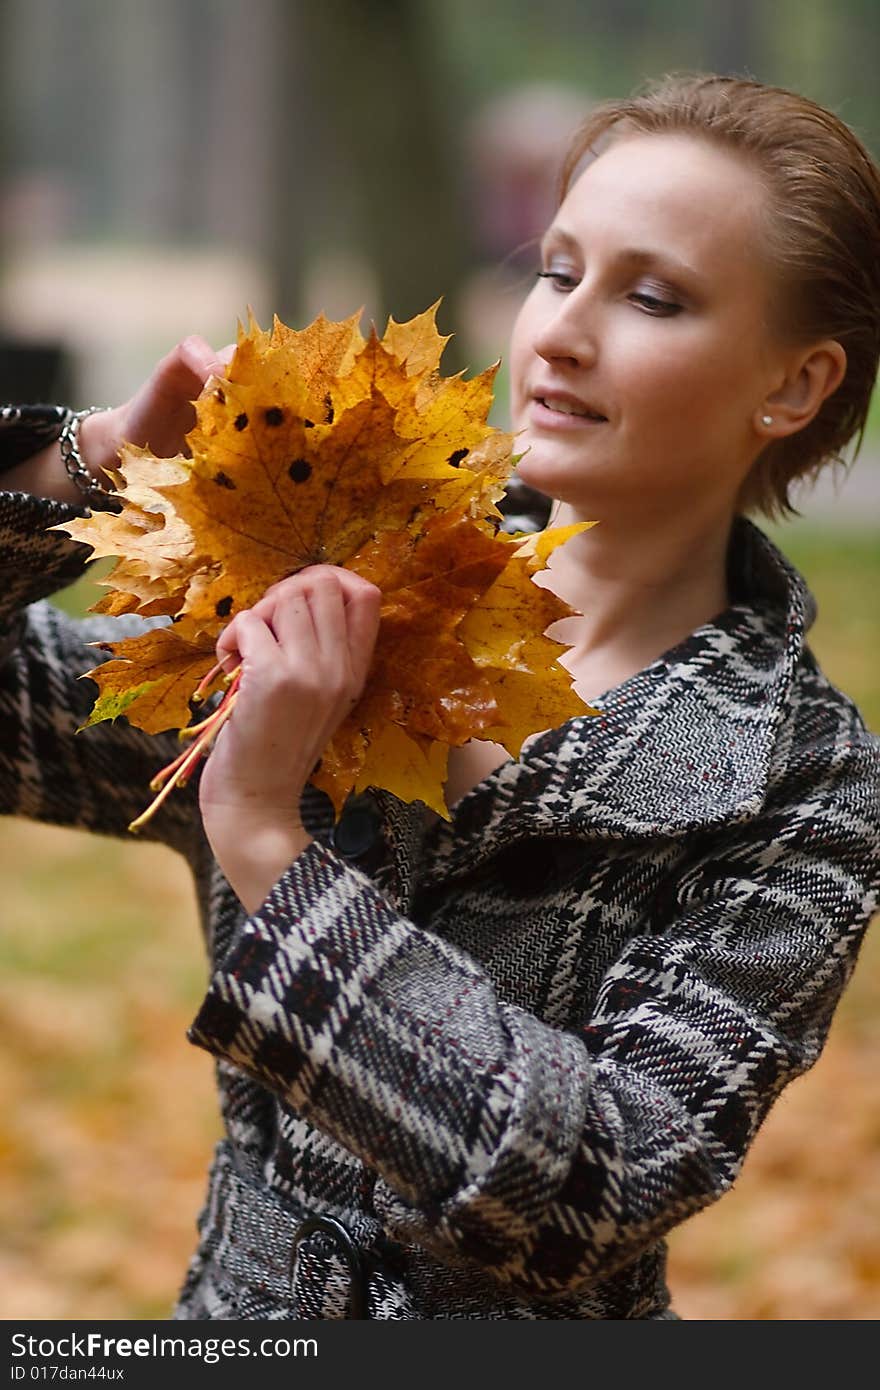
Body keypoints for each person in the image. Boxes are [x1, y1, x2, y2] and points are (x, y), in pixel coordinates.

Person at [2, 72, 879, 1320]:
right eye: (557, 269)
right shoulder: (334, 577)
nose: (562, 331)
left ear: (792, 387)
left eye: (650, 296)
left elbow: (598, 1193)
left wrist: (264, 836)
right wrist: (79, 466)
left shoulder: (802, 781)